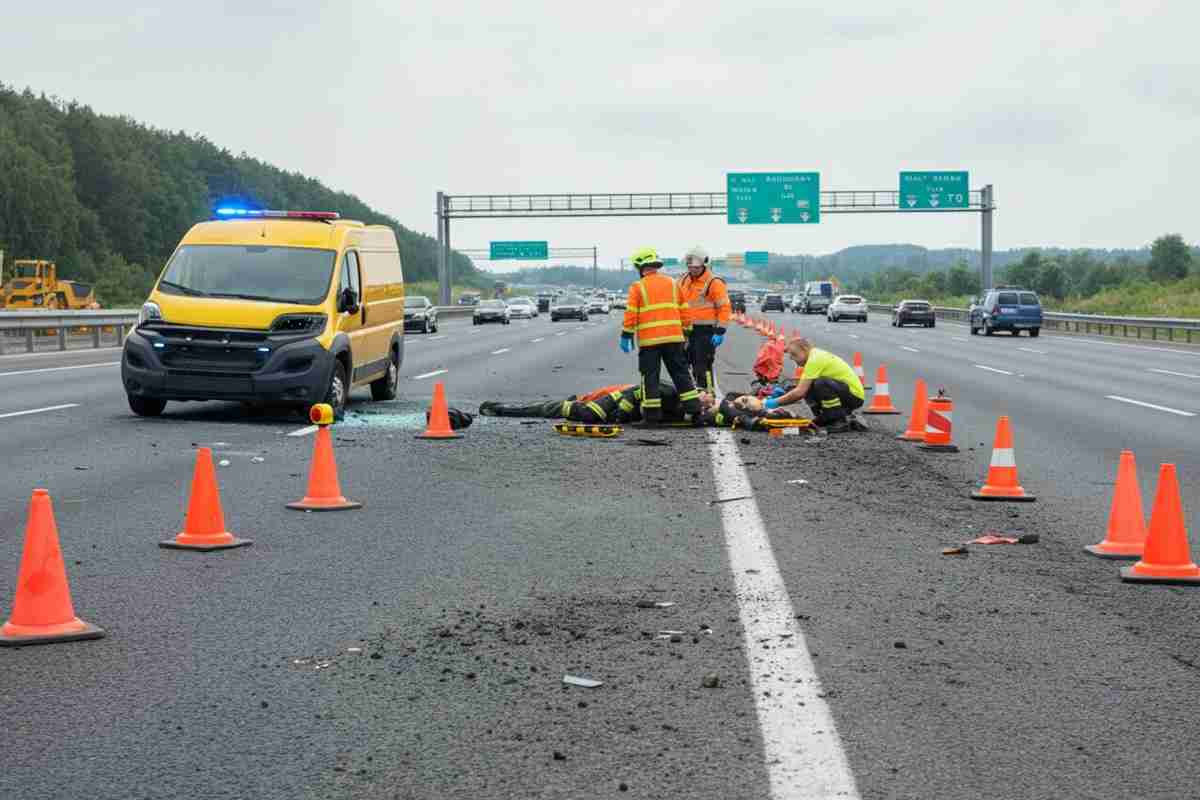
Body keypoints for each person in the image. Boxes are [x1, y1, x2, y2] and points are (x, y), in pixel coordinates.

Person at [620, 248, 701, 424]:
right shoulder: (673, 283)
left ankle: (652, 417)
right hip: (674, 339)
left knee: (650, 377)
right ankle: (695, 412)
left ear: (640, 267)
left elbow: (631, 313)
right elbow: (684, 310)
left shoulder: (638, 287)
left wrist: (626, 334)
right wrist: (686, 332)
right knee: (681, 374)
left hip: (650, 342)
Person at [759, 337, 865, 431]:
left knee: (821, 383)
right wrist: (783, 391)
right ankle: (826, 417)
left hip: (854, 396)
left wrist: (774, 402)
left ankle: (838, 420)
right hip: (844, 392)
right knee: (811, 384)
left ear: (805, 350)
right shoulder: (814, 355)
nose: (791, 358)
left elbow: (799, 392)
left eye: (794, 354)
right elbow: (802, 385)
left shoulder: (815, 359)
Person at [478, 382, 687, 424]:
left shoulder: (677, 410)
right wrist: (620, 417)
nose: (708, 401)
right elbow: (630, 396)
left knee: (548, 409)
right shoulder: (669, 391)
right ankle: (498, 408)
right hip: (600, 403)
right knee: (545, 409)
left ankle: (499, 409)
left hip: (598, 408)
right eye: (707, 398)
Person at [677, 245, 731, 392]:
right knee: (684, 364)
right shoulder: (682, 280)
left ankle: (708, 395)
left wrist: (720, 331)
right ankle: (691, 395)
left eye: (695, 267)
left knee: (702, 365)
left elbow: (724, 308)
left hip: (706, 332)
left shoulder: (714, 282)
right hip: (686, 331)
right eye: (690, 267)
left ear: (704, 265)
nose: (692, 270)